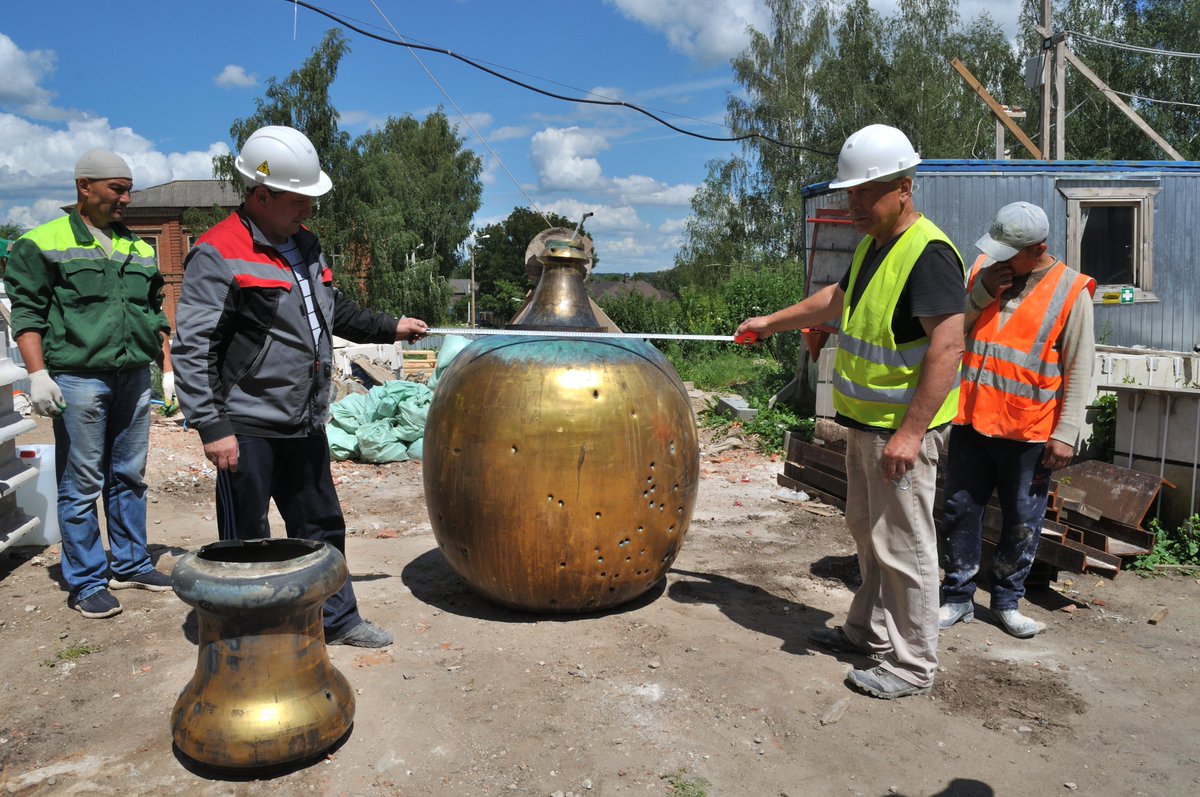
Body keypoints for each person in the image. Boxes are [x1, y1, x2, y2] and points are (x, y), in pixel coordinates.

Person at [172, 125, 429, 648]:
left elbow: (333, 311)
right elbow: (193, 348)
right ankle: (252, 633)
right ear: (261, 195)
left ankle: (337, 620)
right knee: (246, 539)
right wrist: (212, 426)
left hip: (304, 418)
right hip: (246, 425)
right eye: (298, 200)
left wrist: (392, 327)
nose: (307, 210)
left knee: (321, 524)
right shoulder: (218, 252)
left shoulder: (304, 245)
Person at [737, 124, 965, 699]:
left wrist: (910, 434)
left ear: (904, 188)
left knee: (905, 548)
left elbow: (948, 347)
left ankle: (912, 665)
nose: (853, 204)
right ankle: (868, 632)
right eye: (850, 192)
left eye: (866, 191)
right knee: (868, 535)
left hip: (900, 434)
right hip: (865, 426)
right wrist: (770, 322)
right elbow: (837, 301)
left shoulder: (929, 253)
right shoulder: (873, 245)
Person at [5, 149, 175, 619]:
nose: (127, 199)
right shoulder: (41, 243)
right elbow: (28, 313)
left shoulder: (139, 247)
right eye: (117, 189)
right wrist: (37, 374)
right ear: (84, 186)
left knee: (129, 476)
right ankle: (86, 580)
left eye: (129, 189)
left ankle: (132, 563)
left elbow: (153, 311)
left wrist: (166, 367)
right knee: (81, 481)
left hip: (133, 377)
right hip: (79, 378)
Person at [938, 202, 1096, 638]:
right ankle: (957, 596)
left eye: (1010, 252)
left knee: (1022, 522)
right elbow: (952, 329)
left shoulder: (1071, 290)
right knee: (959, 511)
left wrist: (1066, 432)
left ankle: (1007, 601)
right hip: (971, 419)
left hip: (1028, 431)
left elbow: (1080, 366)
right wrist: (981, 294)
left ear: (1038, 249)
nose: (999, 258)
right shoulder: (984, 271)